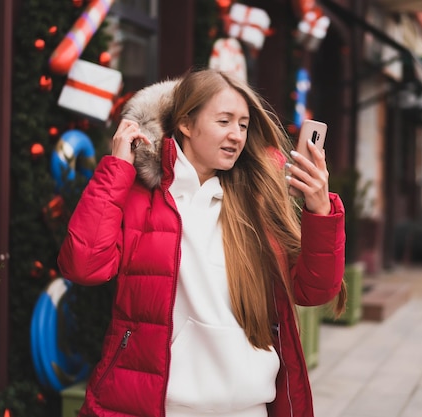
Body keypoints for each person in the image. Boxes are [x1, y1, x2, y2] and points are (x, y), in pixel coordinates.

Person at [58, 68, 346, 417]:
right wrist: (118, 168)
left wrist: (319, 210)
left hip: (249, 408)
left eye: (242, 124)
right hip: (162, 407)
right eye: (224, 121)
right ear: (186, 124)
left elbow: (315, 290)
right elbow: (83, 266)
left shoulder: (257, 202)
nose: (237, 135)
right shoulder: (142, 199)